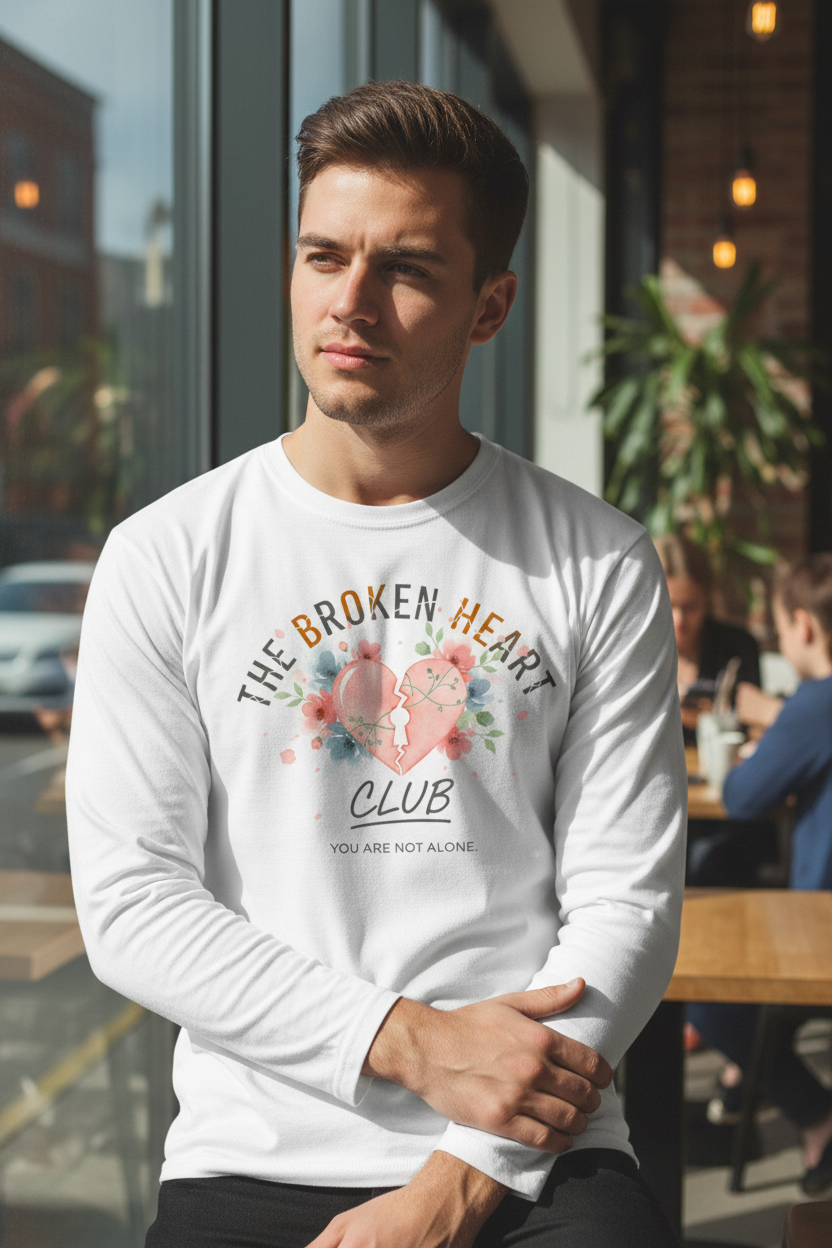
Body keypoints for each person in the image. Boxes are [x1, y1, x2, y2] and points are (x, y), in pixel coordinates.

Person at [66, 82, 686, 1248]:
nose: (349, 303)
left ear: (488, 304)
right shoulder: (167, 554)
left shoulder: (594, 559)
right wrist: (409, 1040)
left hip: (537, 1150)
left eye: (404, 268)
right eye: (322, 255)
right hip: (257, 1141)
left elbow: (628, 902)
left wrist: (462, 1179)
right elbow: (135, 906)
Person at [688, 553, 832, 1197]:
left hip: (820, 920)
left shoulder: (815, 705)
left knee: (708, 1000)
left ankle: (817, 1116)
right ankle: (753, 1085)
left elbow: (744, 795)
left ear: (802, 626)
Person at [654, 534, 772, 887]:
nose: (678, 620)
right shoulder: (635, 647)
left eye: (690, 607)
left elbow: (755, 729)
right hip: (655, 796)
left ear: (708, 597)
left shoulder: (736, 646)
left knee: (716, 862)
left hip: (720, 803)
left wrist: (702, 718)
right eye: (668, 605)